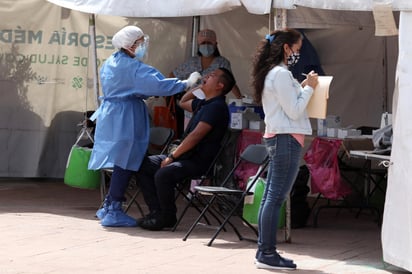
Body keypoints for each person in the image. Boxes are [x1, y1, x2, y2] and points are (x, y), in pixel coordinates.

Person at [88, 26, 201, 227]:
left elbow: (127, 87)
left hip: (113, 116)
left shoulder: (110, 63)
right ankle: (113, 210)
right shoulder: (132, 67)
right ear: (131, 45)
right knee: (126, 161)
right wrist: (185, 84)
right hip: (126, 117)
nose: (143, 45)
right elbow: (158, 84)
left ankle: (109, 206)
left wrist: (140, 94)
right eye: (140, 42)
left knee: (121, 161)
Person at [251, 29, 318, 270]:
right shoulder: (279, 73)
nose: (298, 54)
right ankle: (266, 252)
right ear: (286, 48)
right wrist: (309, 88)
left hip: (280, 137)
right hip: (285, 139)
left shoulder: (274, 73)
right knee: (275, 197)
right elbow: (294, 110)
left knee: (272, 196)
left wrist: (301, 87)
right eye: (297, 49)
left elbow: (286, 104)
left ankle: (264, 251)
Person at [135, 67, 235, 231]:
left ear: (220, 86)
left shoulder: (217, 107)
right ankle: (156, 212)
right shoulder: (205, 103)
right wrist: (198, 86)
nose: (208, 76)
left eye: (213, 76)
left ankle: (167, 216)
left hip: (197, 161)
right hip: (184, 156)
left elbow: (195, 136)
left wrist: (172, 157)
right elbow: (182, 102)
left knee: (164, 173)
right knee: (143, 165)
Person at [169, 29, 242, 137]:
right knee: (190, 133)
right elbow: (173, 74)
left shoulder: (222, 63)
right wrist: (178, 88)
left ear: (215, 44)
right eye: (203, 43)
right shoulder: (192, 62)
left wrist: (240, 99)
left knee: (207, 135)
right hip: (192, 104)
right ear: (198, 45)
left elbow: (230, 82)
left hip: (212, 104)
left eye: (209, 43)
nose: (206, 45)